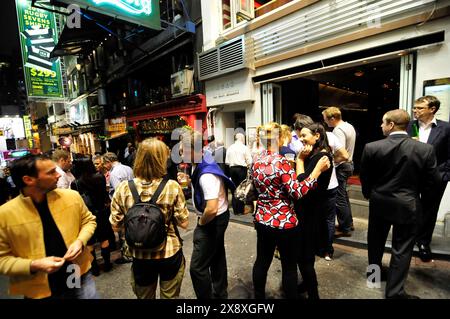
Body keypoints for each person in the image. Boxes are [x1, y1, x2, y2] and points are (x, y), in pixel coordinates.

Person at [360, 109, 439, 299]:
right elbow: (432, 182)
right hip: (408, 204)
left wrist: (370, 194)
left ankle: (374, 277)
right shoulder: (425, 149)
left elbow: (365, 177)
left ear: (391, 125)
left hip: (379, 202)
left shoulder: (372, 147)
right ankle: (394, 292)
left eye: (383, 122)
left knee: (375, 242)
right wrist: (417, 197)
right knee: (402, 249)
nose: (381, 125)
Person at [251, 122, 330, 299]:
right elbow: (298, 192)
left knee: (261, 262)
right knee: (289, 267)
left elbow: (256, 190)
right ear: (278, 138)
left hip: (263, 219)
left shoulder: (256, 162)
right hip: (285, 222)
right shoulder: (282, 162)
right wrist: (315, 173)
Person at [0, 154, 98, 299]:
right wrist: (34, 265)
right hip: (38, 286)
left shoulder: (71, 197)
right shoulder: (5, 214)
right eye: (51, 172)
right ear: (28, 179)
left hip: (75, 273)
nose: (58, 175)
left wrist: (80, 241)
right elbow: (2, 259)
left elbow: (88, 221)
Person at [111, 138, 189, 299]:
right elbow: (184, 223)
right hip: (169, 253)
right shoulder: (172, 187)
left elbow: (115, 226)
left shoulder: (123, 188)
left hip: (139, 255)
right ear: (161, 160)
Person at [178, 130, 235, 299]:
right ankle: (220, 293)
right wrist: (190, 181)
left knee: (197, 267)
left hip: (212, 220)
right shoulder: (200, 161)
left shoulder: (207, 174)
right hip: (218, 217)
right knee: (217, 255)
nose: (180, 154)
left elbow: (211, 208)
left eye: (182, 151)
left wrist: (201, 223)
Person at [407, 96, 450, 262]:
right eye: (415, 107)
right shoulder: (410, 126)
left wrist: (443, 175)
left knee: (429, 211)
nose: (415, 111)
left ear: (432, 109)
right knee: (411, 208)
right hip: (411, 176)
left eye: (419, 108)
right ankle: (409, 238)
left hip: (435, 178)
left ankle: (424, 242)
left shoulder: (446, 128)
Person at [295, 123, 333, 299]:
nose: (301, 139)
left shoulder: (322, 157)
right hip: (309, 210)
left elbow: (302, 184)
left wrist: (299, 161)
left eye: (304, 135)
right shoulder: (315, 154)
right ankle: (308, 284)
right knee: (305, 256)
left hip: (311, 212)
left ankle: (313, 293)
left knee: (304, 256)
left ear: (317, 135)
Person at [71, 157, 114, 276]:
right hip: (101, 212)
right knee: (104, 239)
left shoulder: (75, 183)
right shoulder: (99, 177)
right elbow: (104, 195)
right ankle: (107, 264)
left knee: (90, 243)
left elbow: (77, 201)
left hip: (86, 215)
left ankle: (94, 268)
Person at [322, 107, 356, 236]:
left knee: (339, 198)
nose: (325, 123)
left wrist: (331, 161)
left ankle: (345, 227)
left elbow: (341, 153)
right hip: (349, 165)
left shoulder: (338, 130)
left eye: (326, 120)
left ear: (332, 118)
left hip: (342, 165)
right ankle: (349, 223)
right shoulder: (349, 126)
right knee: (344, 196)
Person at [102, 152, 134, 263]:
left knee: (123, 232)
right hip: (133, 201)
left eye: (104, 164)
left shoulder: (114, 173)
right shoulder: (128, 168)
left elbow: (118, 191)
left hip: (123, 205)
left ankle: (127, 255)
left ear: (108, 162)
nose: (104, 167)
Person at [225, 133, 252, 215]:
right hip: (241, 169)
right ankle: (240, 210)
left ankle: (235, 210)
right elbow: (249, 161)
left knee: (234, 189)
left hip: (232, 169)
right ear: (242, 138)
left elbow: (227, 161)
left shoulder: (230, 148)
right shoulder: (244, 148)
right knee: (241, 190)